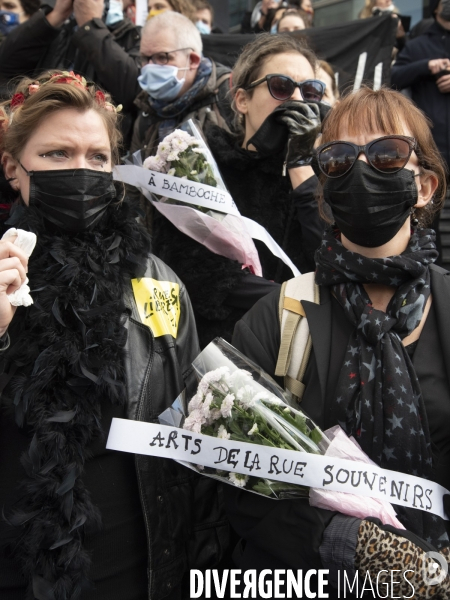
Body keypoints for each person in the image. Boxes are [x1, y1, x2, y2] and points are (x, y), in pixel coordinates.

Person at [0, 70, 227, 600]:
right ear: (13, 167)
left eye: (96, 157)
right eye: (57, 155)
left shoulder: (157, 280)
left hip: (139, 562)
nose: (81, 171)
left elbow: (190, 417)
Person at [226, 86, 450, 598]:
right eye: (339, 159)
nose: (362, 170)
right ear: (324, 187)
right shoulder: (275, 317)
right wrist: (356, 546)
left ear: (425, 186)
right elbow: (245, 491)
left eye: (388, 155)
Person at [150, 33, 326, 348]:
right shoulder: (199, 165)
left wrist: (301, 165)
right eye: (282, 87)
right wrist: (294, 300)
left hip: (302, 355)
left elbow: (332, 262)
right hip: (219, 353)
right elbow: (195, 274)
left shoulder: (325, 176)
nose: (297, 102)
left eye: (310, 91)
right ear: (242, 99)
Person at [0, 0, 142, 147]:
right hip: (38, 138)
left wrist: (90, 27)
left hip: (92, 144)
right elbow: (6, 64)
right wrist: (54, 16)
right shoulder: (58, 29)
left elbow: (132, 92)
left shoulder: (132, 35)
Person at [391, 0, 450, 264]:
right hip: (433, 146)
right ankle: (430, 274)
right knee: (428, 218)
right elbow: (393, 76)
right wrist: (427, 66)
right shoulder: (417, 46)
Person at [131, 10, 233, 157]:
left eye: (162, 57)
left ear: (192, 60)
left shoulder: (228, 96)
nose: (149, 67)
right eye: (145, 58)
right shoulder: (146, 110)